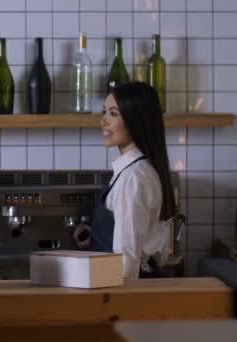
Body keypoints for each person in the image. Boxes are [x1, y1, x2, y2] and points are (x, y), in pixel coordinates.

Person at [73, 81, 176, 279]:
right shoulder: (140, 169)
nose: (103, 121)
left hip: (124, 291)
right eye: (105, 112)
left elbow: (125, 264)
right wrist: (97, 234)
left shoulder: (133, 178)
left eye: (113, 114)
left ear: (135, 120)